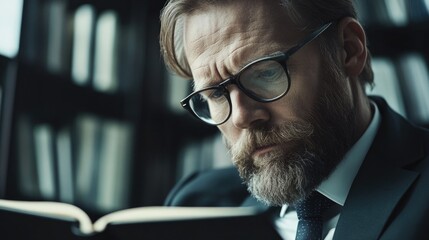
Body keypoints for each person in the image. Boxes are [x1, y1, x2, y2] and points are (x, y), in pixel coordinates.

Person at [159, 0, 429, 239]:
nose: (241, 117)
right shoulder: (196, 205)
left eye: (265, 73)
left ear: (348, 49)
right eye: (216, 93)